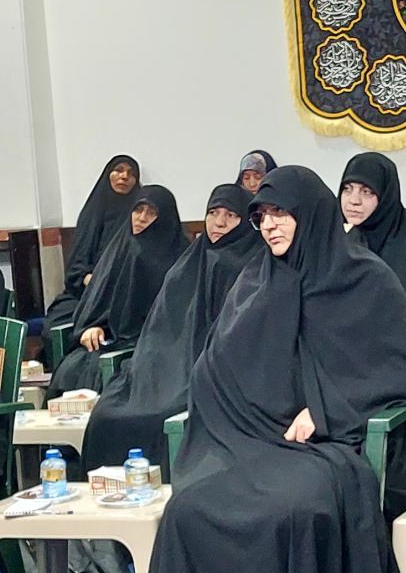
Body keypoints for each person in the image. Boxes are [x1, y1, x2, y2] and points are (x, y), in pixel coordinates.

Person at [141, 167, 406, 573]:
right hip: (247, 444)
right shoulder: (256, 281)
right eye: (262, 217)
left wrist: (325, 409)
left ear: (311, 214)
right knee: (187, 512)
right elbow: (214, 369)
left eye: (280, 213)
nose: (270, 226)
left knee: (300, 509)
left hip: (329, 447)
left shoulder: (365, 279)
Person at [82, 184, 261, 476]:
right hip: (163, 369)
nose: (219, 222)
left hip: (210, 373)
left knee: (160, 416)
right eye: (213, 213)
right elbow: (159, 327)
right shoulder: (188, 263)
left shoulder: (252, 267)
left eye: (231, 215)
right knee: (107, 413)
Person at [47, 185, 188, 397]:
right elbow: (96, 300)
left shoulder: (180, 258)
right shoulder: (119, 248)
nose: (141, 218)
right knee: (72, 369)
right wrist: (91, 326)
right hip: (110, 340)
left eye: (151, 213)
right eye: (138, 210)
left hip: (154, 346)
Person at [41, 155, 140, 362]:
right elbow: (76, 268)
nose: (124, 176)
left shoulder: (138, 217)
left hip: (122, 295)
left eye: (131, 173)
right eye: (119, 170)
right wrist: (93, 281)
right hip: (87, 292)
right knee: (55, 325)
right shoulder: (92, 213)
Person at [339, 152, 406, 338]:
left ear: (385, 197)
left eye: (367, 192)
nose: (354, 201)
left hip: (393, 342)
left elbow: (393, 311)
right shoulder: (343, 236)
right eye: (347, 189)